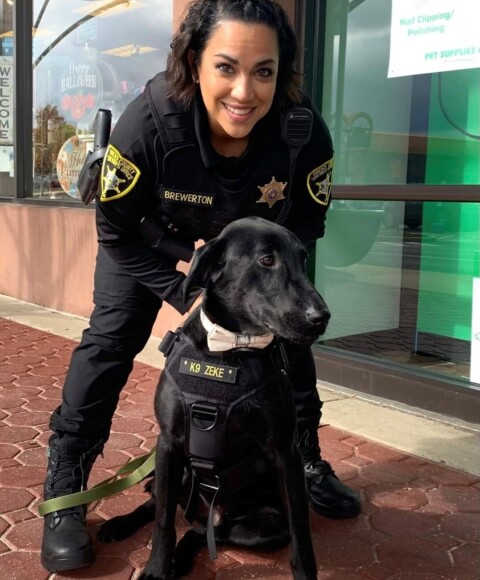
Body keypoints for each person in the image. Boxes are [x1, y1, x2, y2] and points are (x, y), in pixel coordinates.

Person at [41, 0, 361, 573]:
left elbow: (306, 227)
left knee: (289, 333)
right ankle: (66, 479)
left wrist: (266, 290)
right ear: (193, 63)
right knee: (111, 337)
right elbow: (115, 227)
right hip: (154, 243)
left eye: (264, 71)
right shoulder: (149, 123)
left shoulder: (302, 132)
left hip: (253, 251)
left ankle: (305, 458)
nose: (245, 91)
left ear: (281, 74)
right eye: (226, 67)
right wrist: (184, 288)